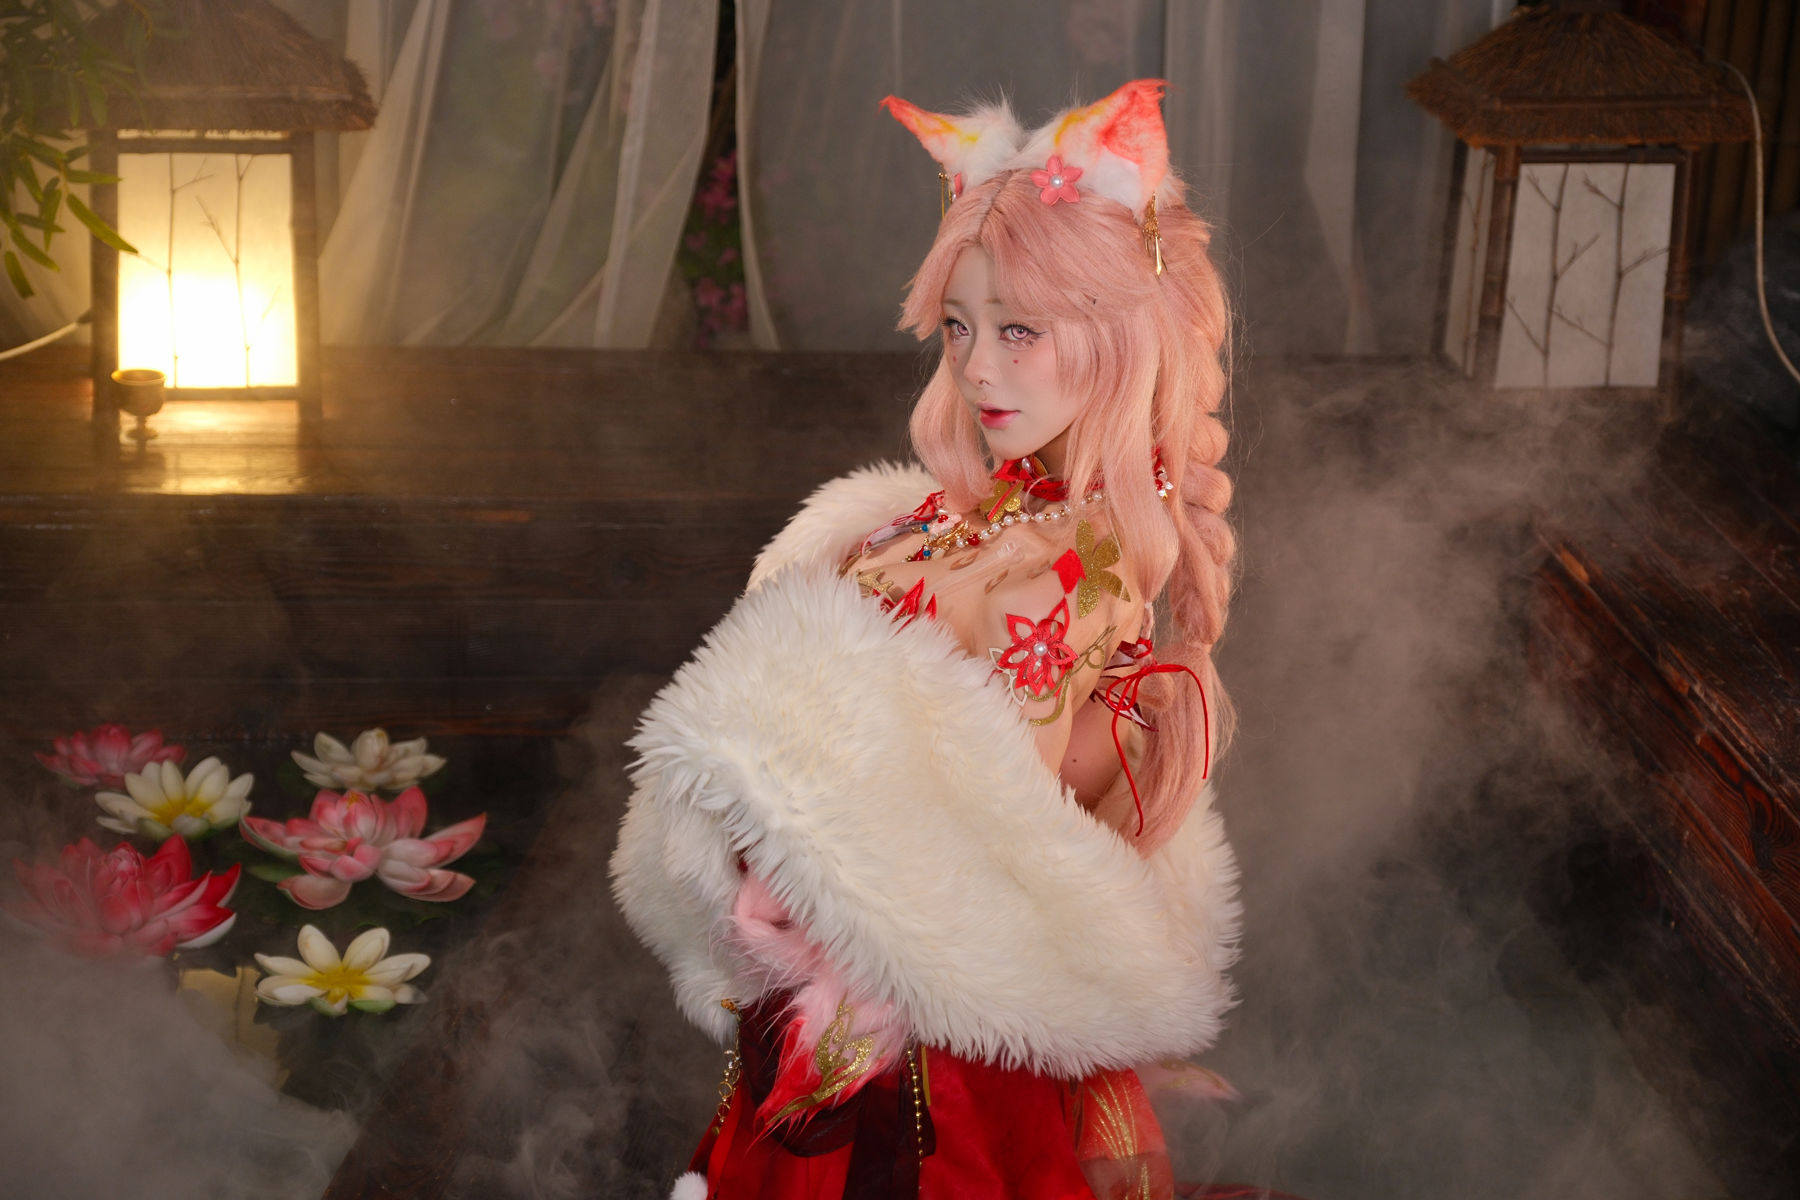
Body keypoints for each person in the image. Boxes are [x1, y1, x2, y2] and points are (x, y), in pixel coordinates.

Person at [611, 78, 1240, 1200]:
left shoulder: (1079, 573)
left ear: (1119, 336)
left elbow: (979, 836)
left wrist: (791, 845)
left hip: (929, 1035)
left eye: (1019, 330)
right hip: (826, 965)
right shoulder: (950, 512)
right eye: (959, 326)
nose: (978, 366)